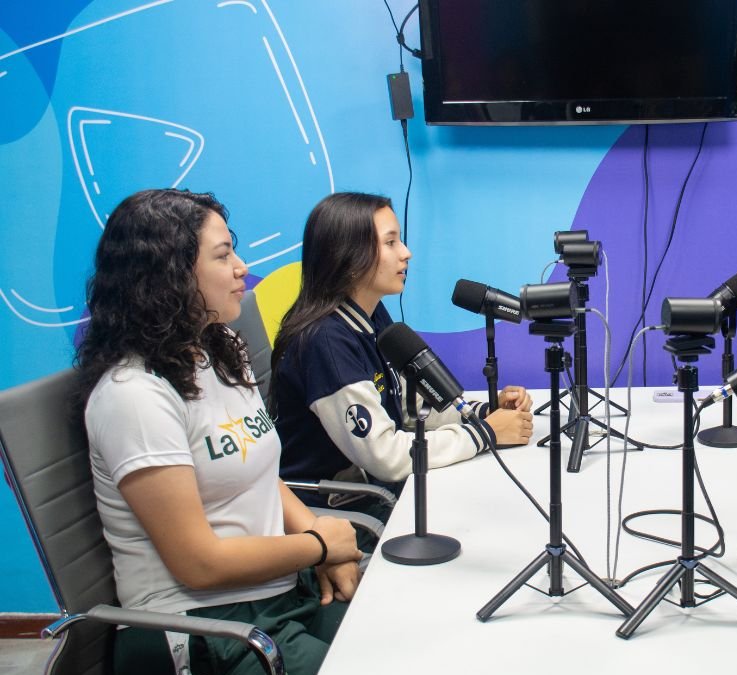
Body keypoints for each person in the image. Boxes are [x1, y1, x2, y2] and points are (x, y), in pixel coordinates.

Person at [77, 189, 361, 675]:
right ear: (168, 275)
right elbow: (199, 563)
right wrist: (318, 546)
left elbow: (252, 472)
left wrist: (320, 535)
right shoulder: (134, 395)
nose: (241, 267)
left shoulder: (219, 348)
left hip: (279, 591)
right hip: (204, 626)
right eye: (223, 254)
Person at [271, 192, 533, 523]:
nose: (406, 253)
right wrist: (487, 434)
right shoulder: (325, 343)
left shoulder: (372, 315)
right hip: (337, 509)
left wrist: (484, 412)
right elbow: (386, 456)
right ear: (347, 256)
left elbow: (408, 412)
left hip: (377, 490)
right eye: (391, 242)